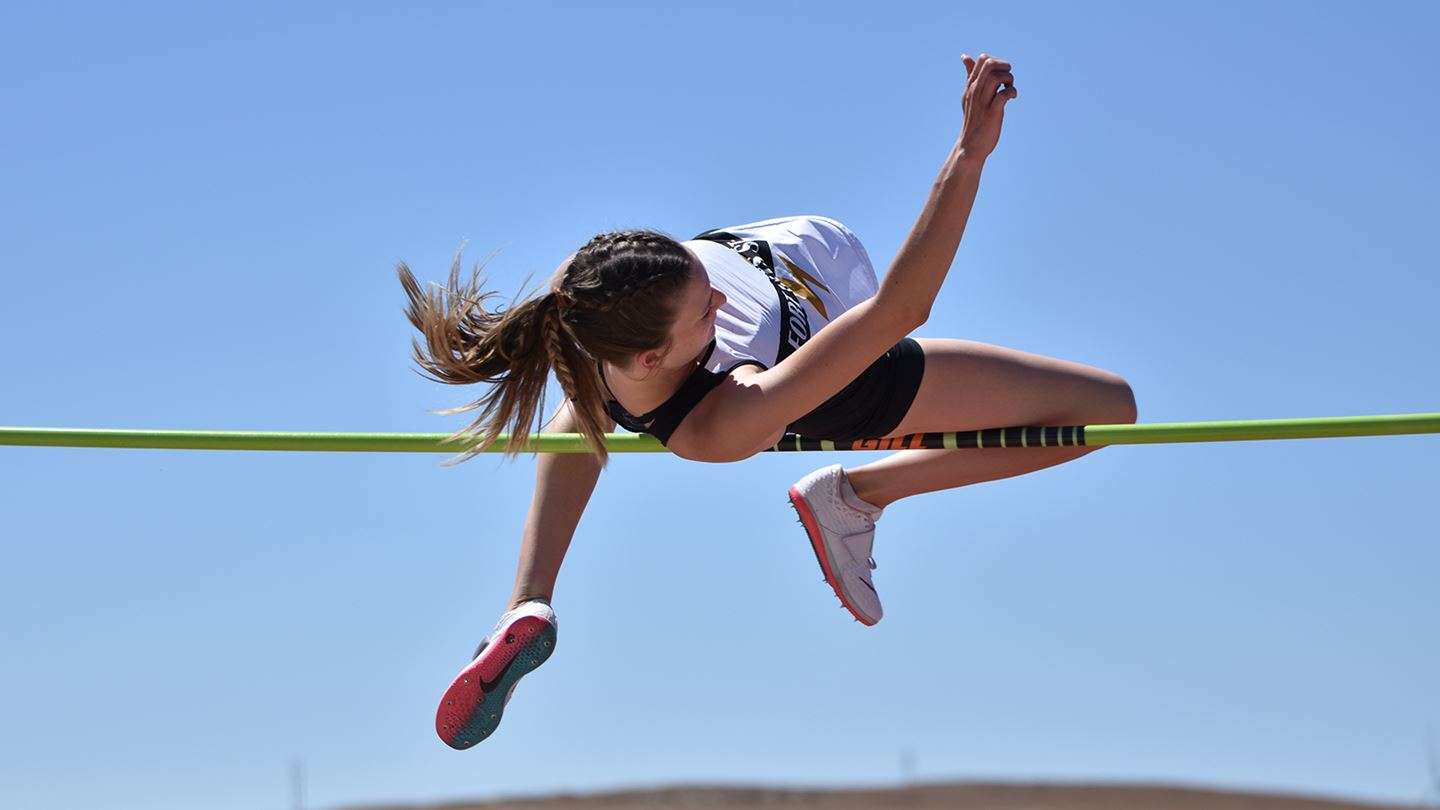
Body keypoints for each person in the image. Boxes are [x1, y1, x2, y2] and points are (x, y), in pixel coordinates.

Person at [397, 54, 1137, 750]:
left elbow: (602, 397)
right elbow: (900, 309)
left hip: (787, 257)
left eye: (698, 279)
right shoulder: (727, 419)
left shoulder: (586, 302)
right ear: (660, 353)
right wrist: (969, 153)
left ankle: (527, 600)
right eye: (704, 311)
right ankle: (860, 491)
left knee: (584, 413)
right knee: (1110, 411)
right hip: (816, 324)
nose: (714, 297)